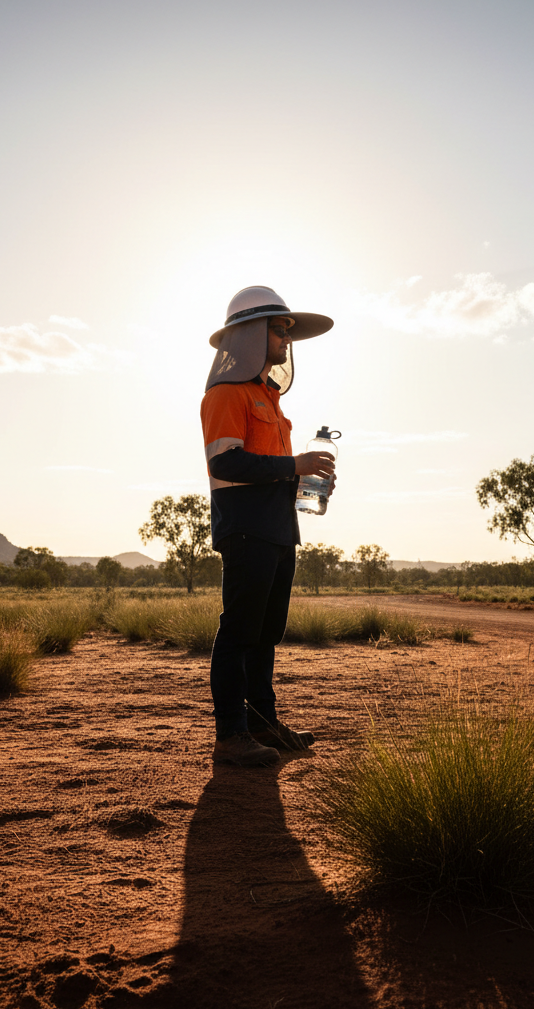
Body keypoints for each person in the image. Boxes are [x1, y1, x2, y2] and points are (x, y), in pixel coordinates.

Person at [200, 286, 336, 766]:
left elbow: (273, 465)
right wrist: (293, 464)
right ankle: (230, 735)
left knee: (266, 633)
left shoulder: (268, 397)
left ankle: (261, 722)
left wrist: (304, 483)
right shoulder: (225, 394)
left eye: (285, 331)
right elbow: (228, 463)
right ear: (251, 334)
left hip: (279, 527)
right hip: (246, 527)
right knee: (238, 631)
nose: (286, 339)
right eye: (279, 329)